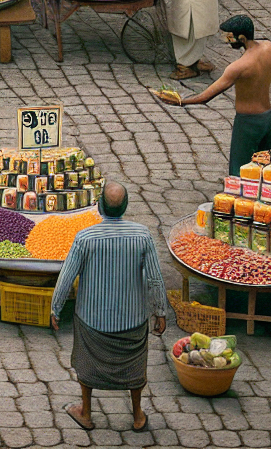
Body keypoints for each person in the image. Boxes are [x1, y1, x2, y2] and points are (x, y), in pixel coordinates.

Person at [50, 181, 167, 434]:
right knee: (135, 367)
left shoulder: (85, 237)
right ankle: (137, 415)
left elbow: (66, 277)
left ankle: (86, 412)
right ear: (126, 206)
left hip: (91, 320)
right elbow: (155, 278)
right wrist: (161, 311)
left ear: (100, 205)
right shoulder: (142, 235)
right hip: (132, 321)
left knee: (86, 364)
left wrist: (55, 308)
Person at [159, 15, 271, 174]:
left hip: (248, 123)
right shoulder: (269, 47)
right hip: (268, 118)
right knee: (269, 167)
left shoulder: (239, 67)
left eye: (229, 37)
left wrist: (181, 102)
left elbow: (206, 97)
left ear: (241, 38)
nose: (227, 41)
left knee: (240, 170)